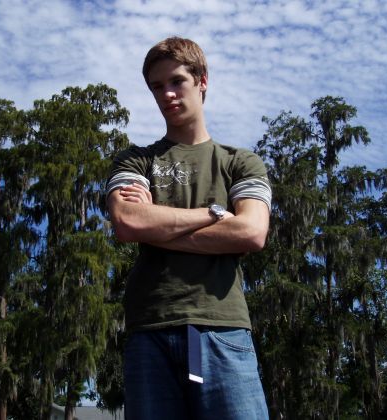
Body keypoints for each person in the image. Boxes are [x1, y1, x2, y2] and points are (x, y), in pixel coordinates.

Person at [105, 36, 271, 419]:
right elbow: (128, 221)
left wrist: (158, 225)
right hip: (150, 329)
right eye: (156, 87)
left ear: (202, 81)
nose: (167, 94)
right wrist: (214, 213)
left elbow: (250, 233)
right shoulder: (136, 160)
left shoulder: (240, 163)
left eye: (176, 81)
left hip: (222, 330)